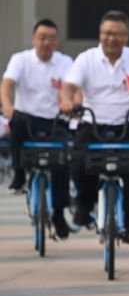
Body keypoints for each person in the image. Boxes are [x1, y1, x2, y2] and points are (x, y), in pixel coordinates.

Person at [61, 11, 129, 243]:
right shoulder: (86, 58)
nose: (111, 38)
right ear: (100, 34)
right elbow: (70, 85)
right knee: (79, 163)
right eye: (106, 33)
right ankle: (84, 204)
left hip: (127, 124)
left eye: (117, 34)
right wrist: (66, 101)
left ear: (126, 36)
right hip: (92, 125)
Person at [1, 19, 74, 237]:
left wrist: (72, 103)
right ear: (34, 39)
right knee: (17, 123)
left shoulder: (65, 62)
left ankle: (59, 214)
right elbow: (7, 83)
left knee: (62, 161)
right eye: (42, 37)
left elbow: (74, 87)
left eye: (52, 38)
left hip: (55, 119)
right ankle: (19, 175)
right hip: (26, 117)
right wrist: (7, 105)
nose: (47, 42)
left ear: (57, 41)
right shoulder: (20, 59)